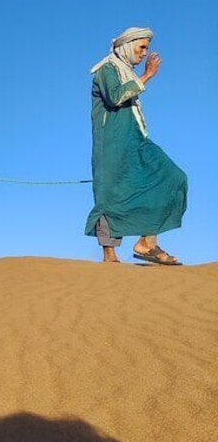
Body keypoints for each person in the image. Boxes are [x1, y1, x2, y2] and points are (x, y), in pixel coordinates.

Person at [85, 27, 187, 265]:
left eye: (146, 49)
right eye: (141, 47)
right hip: (111, 145)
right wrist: (147, 76)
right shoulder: (107, 70)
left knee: (173, 177)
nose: (144, 53)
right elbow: (116, 97)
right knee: (110, 195)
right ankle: (109, 257)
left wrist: (141, 76)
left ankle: (147, 242)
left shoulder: (126, 72)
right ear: (127, 46)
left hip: (137, 140)